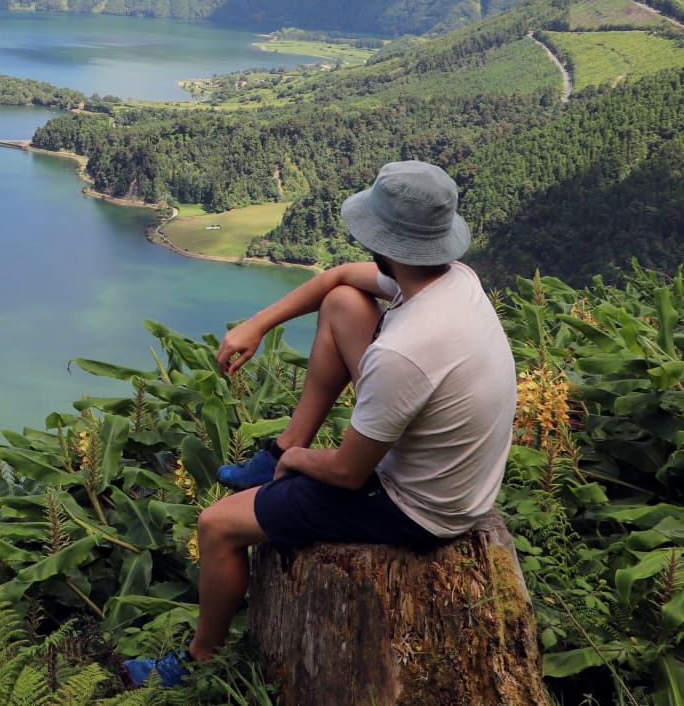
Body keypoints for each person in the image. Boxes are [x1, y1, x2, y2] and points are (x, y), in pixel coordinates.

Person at [125, 161, 517, 689]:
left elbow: (349, 474)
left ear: (383, 241)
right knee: (341, 304)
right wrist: (257, 323)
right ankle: (284, 442)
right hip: (455, 472)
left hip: (420, 508)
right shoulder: (453, 281)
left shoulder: (406, 351)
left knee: (217, 527)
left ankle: (198, 660)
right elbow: (336, 280)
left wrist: (296, 463)